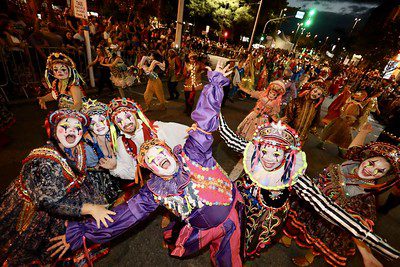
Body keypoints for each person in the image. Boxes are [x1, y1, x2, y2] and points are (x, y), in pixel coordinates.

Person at [50, 62, 245, 267]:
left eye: (160, 152)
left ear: (170, 150)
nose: (157, 159)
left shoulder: (191, 153)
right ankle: (175, 227)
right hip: (201, 226)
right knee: (179, 232)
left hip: (232, 210)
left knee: (230, 259)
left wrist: (214, 86)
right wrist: (82, 232)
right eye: (150, 160)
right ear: (150, 169)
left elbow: (204, 122)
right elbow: (124, 216)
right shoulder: (153, 190)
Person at [218, 115, 400, 262]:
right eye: (265, 151)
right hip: (238, 206)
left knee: (240, 244)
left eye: (277, 153)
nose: (269, 158)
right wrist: (213, 93)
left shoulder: (295, 178)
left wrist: (373, 247)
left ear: (287, 155)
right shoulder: (253, 156)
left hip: (263, 220)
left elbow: (331, 210)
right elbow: (230, 138)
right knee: (224, 231)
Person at [0, 109, 115, 265]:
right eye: (65, 126)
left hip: (63, 202)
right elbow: (47, 201)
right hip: (32, 210)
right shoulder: (43, 160)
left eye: (77, 127)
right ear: (54, 131)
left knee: (66, 243)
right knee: (26, 250)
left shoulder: (77, 147)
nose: (72, 130)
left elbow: (80, 175)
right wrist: (91, 208)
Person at [282, 124, 400, 267]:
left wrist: (367, 255)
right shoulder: (351, 163)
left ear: (384, 176)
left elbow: (358, 227)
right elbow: (354, 147)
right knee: (295, 221)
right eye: (372, 163)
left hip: (327, 224)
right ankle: (286, 237)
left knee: (317, 241)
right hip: (308, 206)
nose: (371, 171)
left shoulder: (365, 197)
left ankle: (308, 258)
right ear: (365, 159)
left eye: (380, 171)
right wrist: (363, 132)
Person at [106, 98, 188, 182]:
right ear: (116, 125)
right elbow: (131, 174)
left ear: (134, 115)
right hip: (156, 183)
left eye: (128, 117)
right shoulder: (122, 143)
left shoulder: (156, 129)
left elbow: (187, 137)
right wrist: (114, 168)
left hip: (180, 173)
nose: (126, 123)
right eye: (120, 121)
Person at [81, 99, 121, 202]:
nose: (98, 125)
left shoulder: (117, 132)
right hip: (103, 183)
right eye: (93, 123)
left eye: (102, 120)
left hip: (125, 174)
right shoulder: (88, 143)